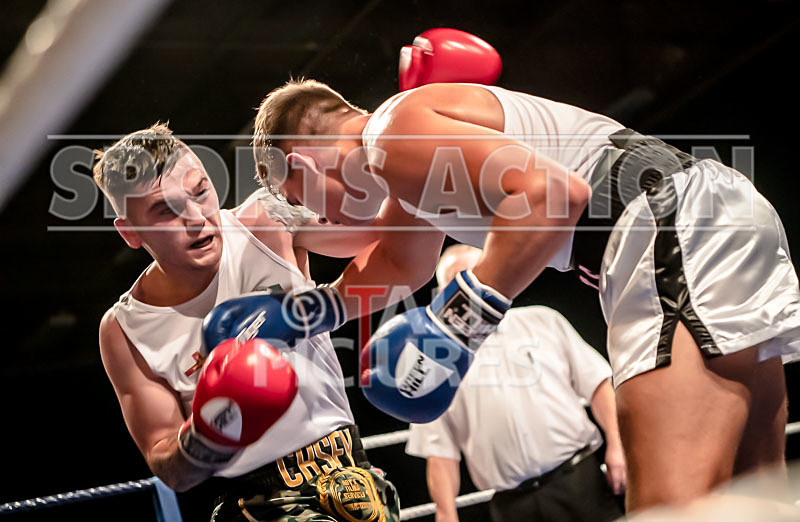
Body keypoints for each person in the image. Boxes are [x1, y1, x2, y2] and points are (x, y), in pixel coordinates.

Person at [238, 36, 800, 511]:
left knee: (666, 511)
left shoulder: (390, 136)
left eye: (300, 200)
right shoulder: (404, 163)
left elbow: (554, 194)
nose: (321, 219)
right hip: (696, 217)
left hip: (661, 230)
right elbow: (395, 262)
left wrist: (459, 324)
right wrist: (304, 312)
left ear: (300, 166)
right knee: (752, 498)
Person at [94, 123, 399, 522]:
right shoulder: (124, 330)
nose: (195, 218)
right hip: (258, 504)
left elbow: (389, 238)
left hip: (354, 477)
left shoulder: (267, 219)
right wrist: (209, 432)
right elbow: (167, 465)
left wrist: (403, 143)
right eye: (165, 210)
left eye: (200, 191)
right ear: (131, 232)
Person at [405, 245, 625, 522]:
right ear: (442, 295)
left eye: (476, 278)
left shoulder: (544, 321)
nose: (470, 292)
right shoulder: (435, 363)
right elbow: (439, 450)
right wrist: (446, 512)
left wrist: (618, 446)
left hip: (579, 480)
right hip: (512, 505)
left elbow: (598, 384)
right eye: (457, 283)